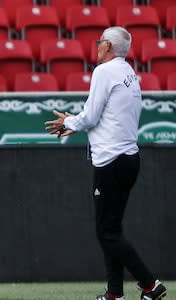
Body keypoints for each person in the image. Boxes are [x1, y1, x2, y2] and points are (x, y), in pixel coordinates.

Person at [45, 26, 167, 300]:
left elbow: (90, 117)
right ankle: (114, 293)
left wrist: (69, 122)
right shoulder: (129, 74)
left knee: (107, 232)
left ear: (108, 47)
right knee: (111, 230)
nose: (97, 45)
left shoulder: (104, 72)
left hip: (111, 161)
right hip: (128, 159)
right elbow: (102, 116)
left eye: (100, 41)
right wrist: (74, 123)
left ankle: (150, 285)